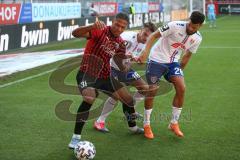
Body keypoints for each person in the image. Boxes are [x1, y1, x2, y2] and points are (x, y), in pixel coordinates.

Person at [68, 12, 143, 149]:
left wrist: (128, 60)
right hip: (87, 74)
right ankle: (75, 138)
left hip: (105, 76)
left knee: (128, 99)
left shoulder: (120, 43)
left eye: (122, 27)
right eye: (117, 25)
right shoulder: (100, 30)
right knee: (90, 97)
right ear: (112, 22)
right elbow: (75, 33)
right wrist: (91, 26)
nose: (119, 29)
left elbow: (122, 67)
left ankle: (133, 128)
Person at [138, 11, 205, 139]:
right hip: (156, 59)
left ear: (200, 26)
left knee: (181, 88)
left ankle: (174, 123)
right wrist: (145, 52)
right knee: (152, 90)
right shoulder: (174, 25)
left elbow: (187, 56)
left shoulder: (198, 38)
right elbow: (153, 35)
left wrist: (178, 73)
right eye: (190, 25)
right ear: (189, 20)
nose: (191, 28)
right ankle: (146, 124)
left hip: (173, 63)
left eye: (194, 27)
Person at [94, 22, 157, 132]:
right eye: (145, 34)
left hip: (125, 69)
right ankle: (100, 121)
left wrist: (136, 59)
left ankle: (131, 110)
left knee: (144, 88)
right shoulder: (126, 37)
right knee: (116, 96)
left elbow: (134, 59)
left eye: (149, 36)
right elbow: (108, 49)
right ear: (140, 30)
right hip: (110, 68)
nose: (146, 38)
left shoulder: (146, 46)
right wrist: (124, 56)